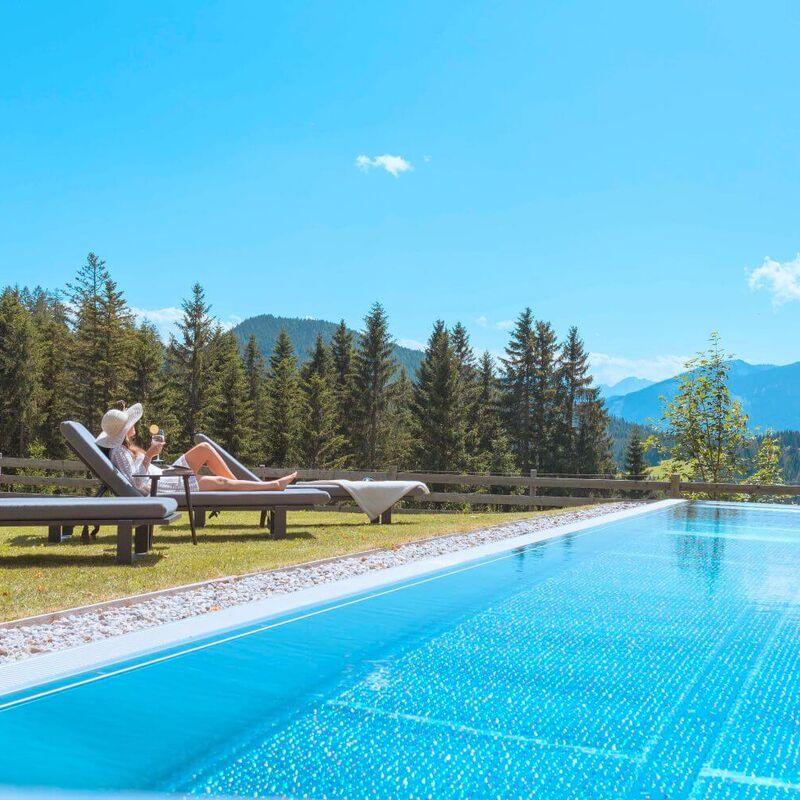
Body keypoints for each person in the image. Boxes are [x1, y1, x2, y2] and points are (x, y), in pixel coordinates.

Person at [95, 403, 297, 495]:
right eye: (131, 422)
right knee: (219, 481)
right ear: (123, 430)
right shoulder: (119, 453)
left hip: (165, 474)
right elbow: (137, 484)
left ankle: (239, 489)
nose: (134, 424)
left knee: (205, 448)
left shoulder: (126, 447)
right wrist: (148, 455)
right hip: (164, 484)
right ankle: (272, 486)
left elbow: (140, 471)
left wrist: (150, 456)